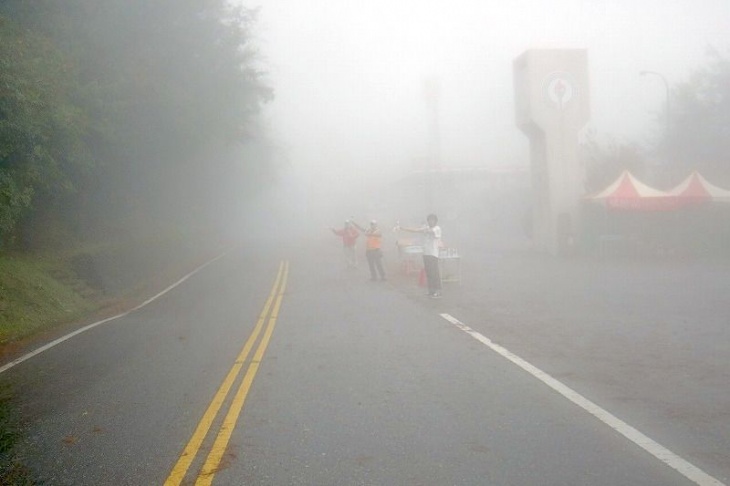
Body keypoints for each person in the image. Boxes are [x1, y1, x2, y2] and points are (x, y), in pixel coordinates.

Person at [397, 214, 442, 298]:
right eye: (429, 220)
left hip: (433, 253)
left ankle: (438, 291)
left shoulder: (437, 228)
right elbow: (415, 230)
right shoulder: (426, 228)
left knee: (434, 273)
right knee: (429, 273)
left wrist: (424, 229)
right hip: (426, 253)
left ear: (435, 221)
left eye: (432, 220)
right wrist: (402, 228)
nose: (430, 222)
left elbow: (430, 231)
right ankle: (431, 290)